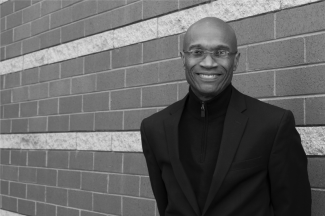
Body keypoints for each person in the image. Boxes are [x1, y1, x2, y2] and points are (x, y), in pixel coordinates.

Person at [140, 17, 311, 216]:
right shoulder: (154, 128)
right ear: (183, 59)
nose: (209, 63)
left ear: (236, 60)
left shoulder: (273, 124)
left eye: (220, 52)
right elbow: (165, 203)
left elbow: (294, 209)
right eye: (197, 52)